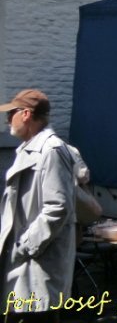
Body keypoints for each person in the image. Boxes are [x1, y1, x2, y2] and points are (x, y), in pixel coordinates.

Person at [0, 89, 76, 323]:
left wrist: (23, 246)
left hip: (35, 269)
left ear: (26, 114)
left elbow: (57, 207)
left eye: (10, 113)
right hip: (25, 269)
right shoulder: (30, 148)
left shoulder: (51, 150)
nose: (6, 119)